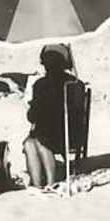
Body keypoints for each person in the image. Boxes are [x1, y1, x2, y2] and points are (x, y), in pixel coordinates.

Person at [22, 45, 79, 188]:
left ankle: (49, 183)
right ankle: (38, 185)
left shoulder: (41, 85)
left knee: (38, 142)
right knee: (30, 143)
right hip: (73, 134)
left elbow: (32, 116)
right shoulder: (76, 84)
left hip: (61, 134)